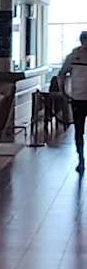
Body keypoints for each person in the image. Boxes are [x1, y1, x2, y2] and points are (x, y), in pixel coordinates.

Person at [60, 30, 87, 172]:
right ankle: (81, 159)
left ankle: (81, 159)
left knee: (79, 131)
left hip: (78, 97)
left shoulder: (73, 56)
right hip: (78, 98)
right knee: (79, 131)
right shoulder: (73, 56)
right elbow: (62, 74)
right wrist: (63, 92)